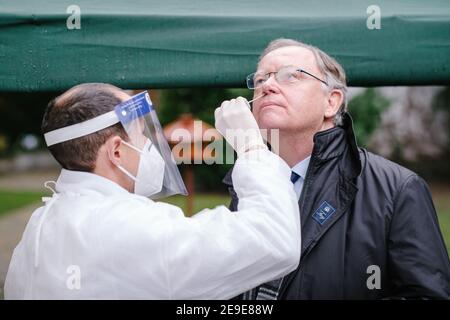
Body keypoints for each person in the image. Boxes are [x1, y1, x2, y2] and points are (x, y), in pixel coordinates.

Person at [4, 83, 301, 299]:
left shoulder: (39, 226)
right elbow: (274, 240)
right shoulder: (133, 227)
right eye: (142, 135)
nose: (150, 145)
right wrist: (251, 147)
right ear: (117, 152)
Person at [224, 38, 450, 299]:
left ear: (331, 102)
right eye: (260, 80)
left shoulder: (397, 189)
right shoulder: (246, 184)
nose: (268, 86)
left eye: (289, 76)